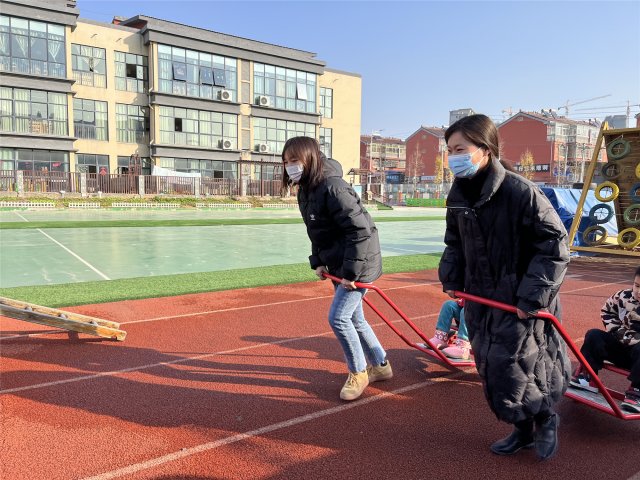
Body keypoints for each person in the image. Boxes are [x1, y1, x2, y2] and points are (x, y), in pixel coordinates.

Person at [438, 114, 570, 460]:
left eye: (460, 149)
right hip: (483, 297)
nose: (453, 157)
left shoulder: (520, 191)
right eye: (449, 150)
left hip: (521, 299)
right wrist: (452, 278)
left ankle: (545, 418)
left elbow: (555, 245)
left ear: (485, 149)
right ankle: (522, 429)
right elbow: (455, 242)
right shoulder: (459, 196)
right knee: (491, 367)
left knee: (520, 364)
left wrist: (532, 296)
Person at [281, 136, 392, 401]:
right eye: (286, 162)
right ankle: (381, 365)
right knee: (356, 318)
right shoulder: (306, 190)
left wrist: (351, 274)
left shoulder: (333, 187)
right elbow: (317, 231)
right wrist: (317, 261)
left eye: (295, 160)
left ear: (311, 158)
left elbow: (360, 231)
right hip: (339, 261)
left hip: (359, 262)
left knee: (339, 318)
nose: (290, 166)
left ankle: (359, 372)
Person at [569, 266, 640, 413]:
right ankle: (588, 376)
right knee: (594, 335)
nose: (638, 292)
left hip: (638, 357)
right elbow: (607, 311)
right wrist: (617, 331)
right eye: (637, 286)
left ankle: (637, 390)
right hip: (622, 346)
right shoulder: (624, 296)